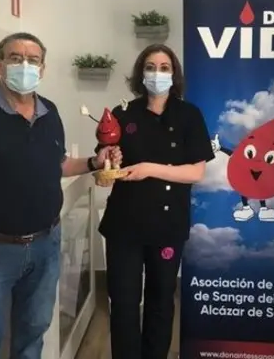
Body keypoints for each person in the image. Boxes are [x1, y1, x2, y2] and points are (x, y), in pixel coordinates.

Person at [0, 32, 120, 359]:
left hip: (45, 247)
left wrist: (94, 161)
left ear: (42, 69)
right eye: (15, 58)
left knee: (33, 335)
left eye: (33, 60)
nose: (25, 66)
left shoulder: (50, 113)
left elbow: (58, 164)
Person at [98, 44, 214, 359]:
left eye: (164, 68)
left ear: (174, 74)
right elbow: (105, 164)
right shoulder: (123, 113)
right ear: (141, 73)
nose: (157, 73)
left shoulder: (189, 115)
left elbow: (196, 172)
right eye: (150, 67)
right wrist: (108, 158)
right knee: (123, 301)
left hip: (168, 225)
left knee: (161, 300)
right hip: (124, 225)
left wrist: (149, 169)